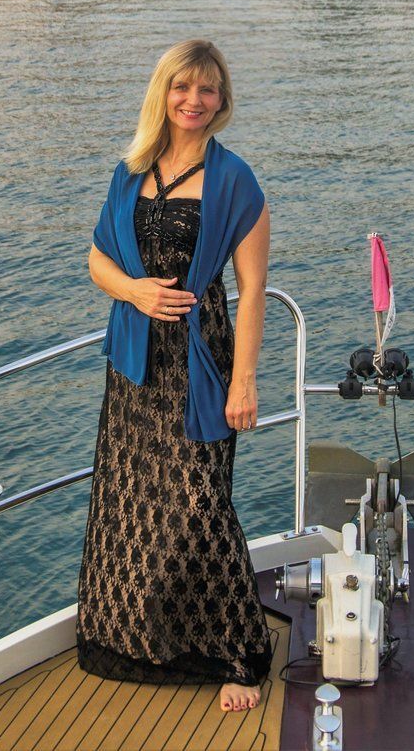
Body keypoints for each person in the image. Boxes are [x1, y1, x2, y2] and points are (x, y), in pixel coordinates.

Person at [76, 38, 274, 715]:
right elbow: (98, 259)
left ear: (221, 100)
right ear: (163, 92)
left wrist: (243, 380)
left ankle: (239, 652)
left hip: (200, 360)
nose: (194, 99)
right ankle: (135, 637)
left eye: (207, 89)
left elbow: (253, 290)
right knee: (133, 500)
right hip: (135, 363)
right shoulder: (130, 170)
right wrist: (134, 291)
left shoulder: (235, 180)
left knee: (201, 498)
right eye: (182, 87)